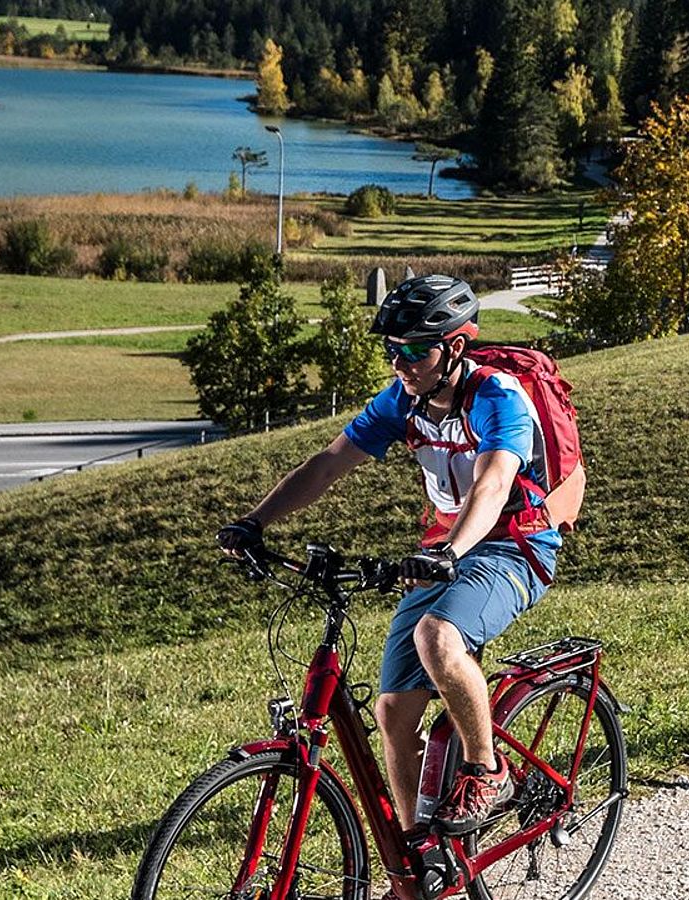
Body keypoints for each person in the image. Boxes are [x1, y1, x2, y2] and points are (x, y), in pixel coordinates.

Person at [215, 274, 559, 837]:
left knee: (437, 638)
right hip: (444, 550)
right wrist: (257, 520)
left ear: (454, 347)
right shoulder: (403, 400)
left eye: (415, 350)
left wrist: (451, 550)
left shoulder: (499, 398)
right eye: (391, 350)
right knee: (394, 712)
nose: (400, 362)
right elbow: (329, 463)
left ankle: (488, 769)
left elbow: (494, 483)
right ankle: (413, 854)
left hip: (514, 545)